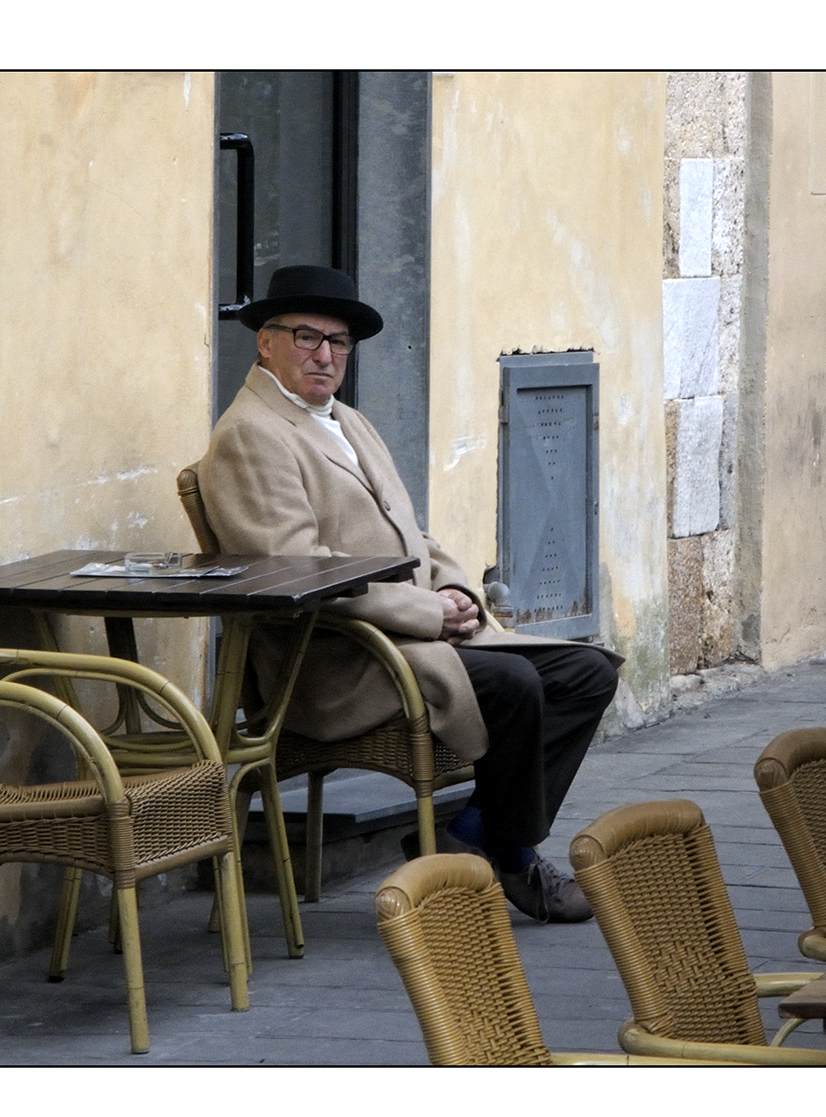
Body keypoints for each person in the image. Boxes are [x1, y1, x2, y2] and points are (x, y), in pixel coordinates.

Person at [198, 264, 621, 922]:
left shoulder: (344, 419)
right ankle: (512, 859)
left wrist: (454, 591)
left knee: (587, 670)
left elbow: (409, 531)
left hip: (402, 635)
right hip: (337, 660)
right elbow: (299, 569)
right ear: (266, 342)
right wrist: (427, 614)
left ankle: (476, 836)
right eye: (307, 337)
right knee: (515, 687)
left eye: (339, 343)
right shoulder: (252, 435)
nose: (325, 355)